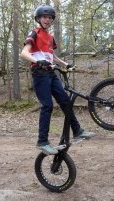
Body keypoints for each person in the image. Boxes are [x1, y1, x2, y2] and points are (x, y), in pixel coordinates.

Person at [20, 5, 94, 155]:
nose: (47, 20)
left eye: (49, 18)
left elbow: (51, 56)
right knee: (47, 105)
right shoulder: (34, 33)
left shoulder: (50, 37)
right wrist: (38, 61)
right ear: (38, 18)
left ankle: (77, 130)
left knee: (65, 102)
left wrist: (66, 64)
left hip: (51, 74)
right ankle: (42, 141)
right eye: (44, 17)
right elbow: (24, 53)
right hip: (39, 73)